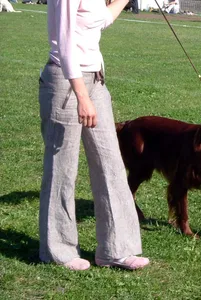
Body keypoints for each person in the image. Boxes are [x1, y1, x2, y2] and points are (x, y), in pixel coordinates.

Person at [38, 0, 150, 271]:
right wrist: (81, 96)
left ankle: (116, 250)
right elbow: (64, 44)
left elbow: (102, 19)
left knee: (110, 164)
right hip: (65, 82)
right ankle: (59, 251)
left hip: (95, 80)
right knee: (62, 170)